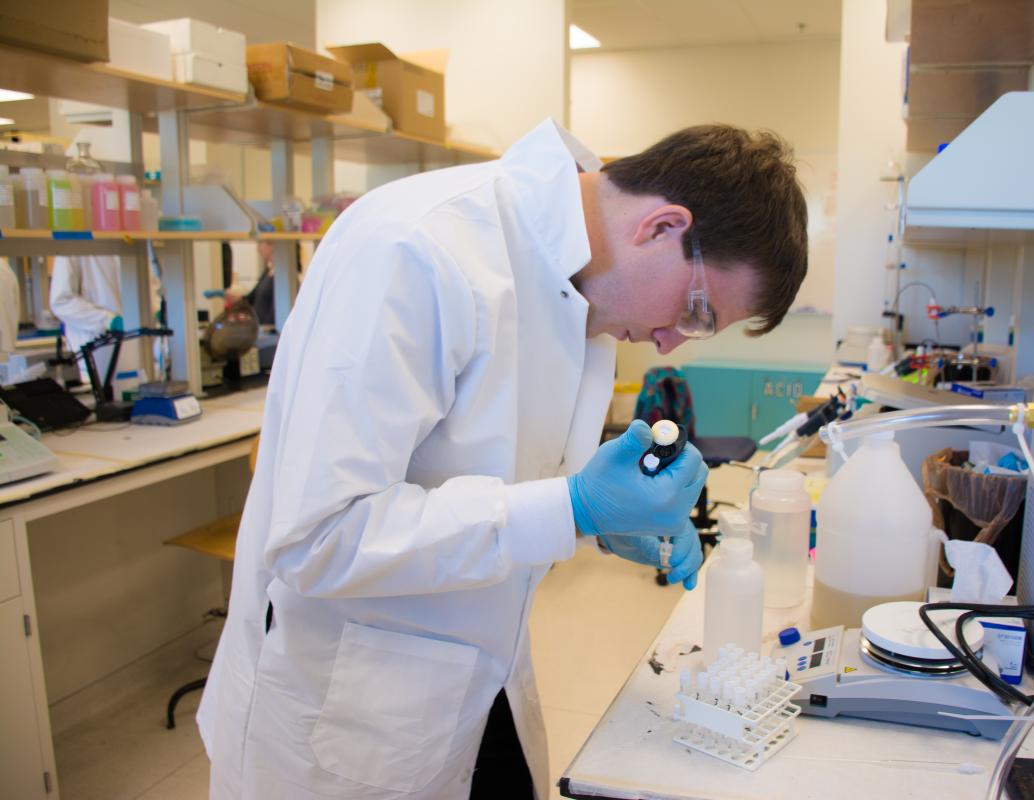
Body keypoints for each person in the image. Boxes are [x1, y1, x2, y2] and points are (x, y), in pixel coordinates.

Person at [198, 119, 809, 800]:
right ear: (661, 227)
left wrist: (596, 522)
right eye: (696, 312)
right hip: (345, 720)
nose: (671, 343)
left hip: (479, 685)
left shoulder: (582, 286)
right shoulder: (418, 248)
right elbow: (318, 535)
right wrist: (570, 505)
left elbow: (493, 480)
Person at [48, 255, 123, 381]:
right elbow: (61, 301)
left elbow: (149, 284)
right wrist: (108, 320)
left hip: (132, 350)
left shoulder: (129, 239)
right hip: (93, 351)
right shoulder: (71, 243)